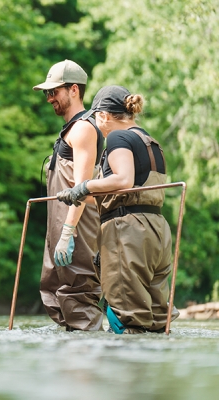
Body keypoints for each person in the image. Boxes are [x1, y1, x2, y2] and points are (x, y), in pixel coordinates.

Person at [57, 85, 180, 334]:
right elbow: (129, 192)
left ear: (104, 115)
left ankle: (127, 372)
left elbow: (123, 180)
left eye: (96, 118)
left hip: (128, 233)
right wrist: (78, 196)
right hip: (157, 231)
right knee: (156, 318)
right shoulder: (149, 141)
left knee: (129, 316)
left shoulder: (117, 137)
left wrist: (84, 186)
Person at [32, 60, 105, 331]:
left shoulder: (84, 128)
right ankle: (70, 360)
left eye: (54, 92)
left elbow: (82, 186)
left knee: (78, 293)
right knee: (53, 293)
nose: (50, 98)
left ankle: (86, 364)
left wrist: (67, 233)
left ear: (74, 89)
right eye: (46, 94)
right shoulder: (69, 129)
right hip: (59, 230)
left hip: (76, 229)